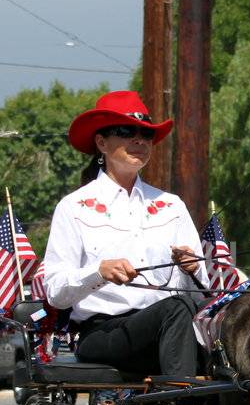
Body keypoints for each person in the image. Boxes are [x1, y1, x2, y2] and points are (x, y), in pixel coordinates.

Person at [42, 90, 207, 379]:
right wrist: (98, 272)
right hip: (102, 333)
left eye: (146, 134)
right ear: (101, 142)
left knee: (227, 318)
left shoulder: (171, 206)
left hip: (169, 328)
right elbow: (55, 292)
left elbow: (200, 287)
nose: (139, 141)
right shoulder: (74, 207)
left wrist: (192, 268)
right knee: (177, 309)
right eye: (126, 132)